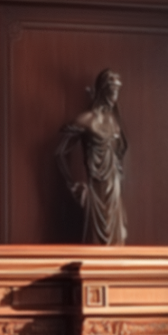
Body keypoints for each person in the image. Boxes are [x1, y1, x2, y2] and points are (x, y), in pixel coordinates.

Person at [56, 68, 128, 246]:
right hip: (95, 190)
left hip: (114, 190)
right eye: (113, 88)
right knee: (94, 245)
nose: (116, 93)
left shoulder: (114, 121)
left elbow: (119, 154)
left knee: (118, 242)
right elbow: (60, 153)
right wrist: (73, 185)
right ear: (104, 88)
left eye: (119, 89)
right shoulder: (87, 119)